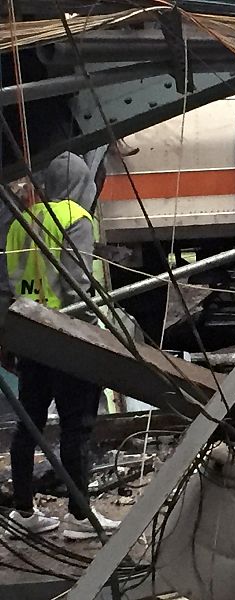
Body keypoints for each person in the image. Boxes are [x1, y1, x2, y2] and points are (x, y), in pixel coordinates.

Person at [4, 165, 120, 540]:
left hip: (30, 334)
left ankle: (24, 511)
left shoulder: (20, 222)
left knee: (29, 425)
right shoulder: (75, 218)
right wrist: (92, 333)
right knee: (76, 427)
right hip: (66, 336)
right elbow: (77, 285)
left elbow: (9, 283)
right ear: (80, 182)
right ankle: (80, 518)